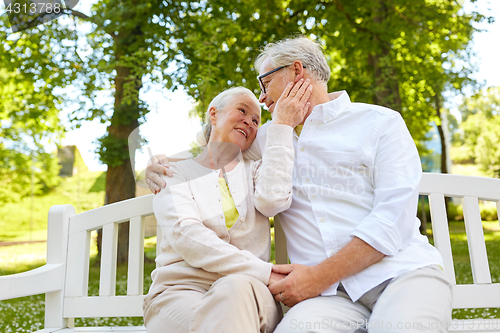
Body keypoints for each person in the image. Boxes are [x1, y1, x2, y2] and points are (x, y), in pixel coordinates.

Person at [146, 37, 452, 333]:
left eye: (265, 84)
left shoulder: (380, 123)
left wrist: (318, 277)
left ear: (296, 70)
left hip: (401, 274)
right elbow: (216, 151)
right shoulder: (269, 136)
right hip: (331, 298)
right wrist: (161, 164)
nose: (262, 98)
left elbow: (392, 222)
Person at [143, 85, 312, 333]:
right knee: (222, 317)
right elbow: (186, 234)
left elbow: (274, 200)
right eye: (242, 111)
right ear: (213, 114)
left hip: (249, 289)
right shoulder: (173, 173)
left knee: (233, 292)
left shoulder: (256, 173)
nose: (250, 123)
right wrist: (267, 273)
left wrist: (282, 125)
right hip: (180, 291)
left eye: (256, 120)